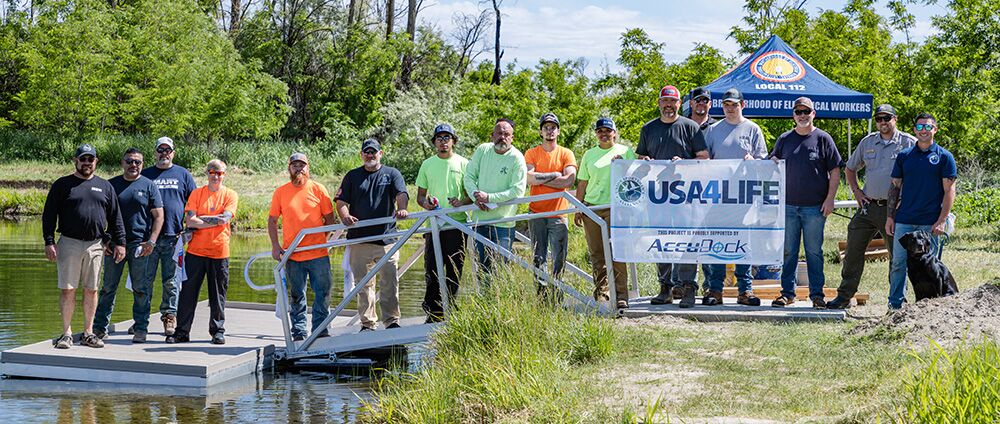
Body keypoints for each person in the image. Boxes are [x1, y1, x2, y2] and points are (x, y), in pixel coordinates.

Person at [827, 104, 916, 309]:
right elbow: (850, 168)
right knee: (853, 250)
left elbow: (918, 175)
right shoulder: (868, 142)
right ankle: (844, 296)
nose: (883, 122)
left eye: (887, 118)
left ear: (896, 119)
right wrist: (857, 192)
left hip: (895, 210)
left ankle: (897, 302)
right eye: (879, 119)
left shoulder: (908, 143)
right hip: (868, 207)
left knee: (898, 257)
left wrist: (908, 198)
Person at [42, 144, 126, 349]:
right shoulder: (62, 185)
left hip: (96, 245)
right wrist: (49, 241)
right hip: (69, 243)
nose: (87, 163)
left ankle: (89, 333)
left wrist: (121, 242)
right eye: (83, 159)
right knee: (68, 290)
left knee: (92, 289)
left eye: (91, 159)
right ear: (76, 160)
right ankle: (67, 334)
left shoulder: (105, 186)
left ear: (96, 162)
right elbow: (49, 215)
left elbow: (116, 217)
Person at [637, 85, 710, 308]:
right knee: (661, 242)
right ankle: (665, 288)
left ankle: (688, 288)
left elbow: (705, 158)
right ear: (659, 103)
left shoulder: (690, 127)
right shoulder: (648, 129)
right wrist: (644, 163)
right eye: (665, 101)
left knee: (687, 242)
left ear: (680, 104)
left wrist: (686, 164)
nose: (669, 105)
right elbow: (641, 159)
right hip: (658, 197)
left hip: (685, 197)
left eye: (673, 102)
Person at [769, 97, 842, 309]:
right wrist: (772, 161)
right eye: (798, 112)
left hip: (815, 208)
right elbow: (772, 164)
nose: (802, 115)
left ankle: (817, 295)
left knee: (814, 252)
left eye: (806, 112)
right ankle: (787, 293)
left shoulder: (823, 139)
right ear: (793, 115)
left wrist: (830, 199)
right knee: (789, 252)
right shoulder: (784, 139)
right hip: (788, 206)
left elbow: (835, 171)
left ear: (813, 114)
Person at [702, 88, 768, 306]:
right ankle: (715, 289)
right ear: (722, 106)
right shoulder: (712, 130)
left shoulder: (753, 129)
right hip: (718, 198)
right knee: (718, 243)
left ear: (743, 105)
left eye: (734, 104)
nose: (730, 108)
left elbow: (765, 163)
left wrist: (754, 162)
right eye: (727, 105)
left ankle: (745, 291)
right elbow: (703, 161)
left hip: (744, 198)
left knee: (743, 244)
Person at [885, 113, 957, 310]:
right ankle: (895, 306)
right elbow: (894, 187)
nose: (924, 131)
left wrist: (941, 220)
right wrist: (890, 217)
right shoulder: (904, 156)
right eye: (920, 127)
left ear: (935, 129)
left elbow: (949, 190)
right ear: (915, 130)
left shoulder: (944, 157)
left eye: (928, 127)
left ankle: (934, 308)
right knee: (898, 264)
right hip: (904, 220)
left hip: (929, 222)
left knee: (930, 267)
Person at [336, 139, 409, 331]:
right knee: (363, 285)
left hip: (386, 240)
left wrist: (402, 209)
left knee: (389, 283)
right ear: (362, 154)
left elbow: (402, 193)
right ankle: (368, 324)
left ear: (381, 153)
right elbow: (341, 201)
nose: (370, 155)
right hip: (359, 240)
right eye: (367, 152)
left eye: (373, 152)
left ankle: (392, 321)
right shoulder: (352, 176)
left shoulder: (392, 173)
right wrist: (345, 216)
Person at [94, 148, 164, 343]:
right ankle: (100, 328)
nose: (133, 165)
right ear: (122, 162)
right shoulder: (111, 185)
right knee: (108, 288)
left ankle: (141, 328)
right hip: (114, 245)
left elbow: (159, 216)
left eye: (137, 162)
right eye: (129, 161)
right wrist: (106, 240)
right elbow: (100, 216)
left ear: (142, 164)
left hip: (139, 245)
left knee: (141, 289)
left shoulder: (149, 185)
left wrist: (152, 241)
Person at [169, 159, 238, 344]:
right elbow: (190, 221)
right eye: (212, 172)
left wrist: (202, 220)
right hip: (195, 252)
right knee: (187, 294)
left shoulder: (230, 195)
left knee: (218, 295)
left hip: (219, 252)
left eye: (219, 173)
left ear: (224, 175)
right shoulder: (196, 194)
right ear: (206, 173)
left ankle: (217, 331)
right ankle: (181, 332)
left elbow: (225, 219)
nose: (215, 176)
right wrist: (211, 220)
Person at [268, 153, 336, 341]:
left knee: (323, 292)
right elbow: (272, 220)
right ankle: (299, 332)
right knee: (296, 295)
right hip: (292, 254)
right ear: (289, 168)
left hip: (318, 254)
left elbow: (330, 218)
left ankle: (320, 330)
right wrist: (276, 246)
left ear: (308, 167)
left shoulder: (318, 189)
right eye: (295, 165)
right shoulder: (281, 192)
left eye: (302, 165)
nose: (299, 168)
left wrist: (324, 240)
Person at [575, 117, 635, 309]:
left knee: (617, 252)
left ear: (615, 133)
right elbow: (583, 182)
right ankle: (603, 293)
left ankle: (621, 295)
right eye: (600, 131)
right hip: (592, 208)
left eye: (608, 131)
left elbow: (635, 176)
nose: (604, 134)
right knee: (597, 253)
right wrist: (579, 207)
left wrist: (623, 164)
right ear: (596, 134)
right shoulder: (589, 154)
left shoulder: (625, 151)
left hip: (617, 207)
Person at [141, 136, 196, 337]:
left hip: (175, 237)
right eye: (160, 149)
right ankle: (141, 320)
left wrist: (190, 229)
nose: (164, 153)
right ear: (154, 152)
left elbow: (193, 204)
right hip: (149, 239)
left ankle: (169, 317)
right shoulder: (145, 175)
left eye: (168, 150)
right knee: (144, 281)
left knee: (171, 281)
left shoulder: (183, 174)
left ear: (173, 152)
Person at [415, 124, 471, 322]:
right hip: (434, 225)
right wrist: (426, 204)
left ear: (453, 141)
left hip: (457, 225)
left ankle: (450, 311)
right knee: (432, 269)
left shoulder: (464, 163)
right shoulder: (427, 164)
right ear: (434, 142)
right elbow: (420, 196)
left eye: (447, 137)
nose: (443, 141)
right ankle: (433, 312)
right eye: (439, 138)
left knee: (454, 270)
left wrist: (461, 202)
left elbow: (471, 196)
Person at [464, 118, 528, 285]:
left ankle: (500, 306)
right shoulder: (483, 150)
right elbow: (469, 177)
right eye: (499, 133)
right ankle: (484, 305)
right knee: (482, 269)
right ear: (492, 135)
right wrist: (475, 196)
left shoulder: (517, 158)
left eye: (507, 134)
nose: (503, 137)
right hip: (480, 221)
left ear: (512, 137)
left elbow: (518, 191)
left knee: (500, 269)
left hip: (503, 223)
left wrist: (490, 198)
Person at [524, 113, 577, 297]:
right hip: (537, 213)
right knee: (538, 257)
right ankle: (542, 296)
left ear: (558, 131)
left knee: (559, 257)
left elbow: (569, 180)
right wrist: (555, 174)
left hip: (558, 214)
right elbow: (530, 178)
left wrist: (542, 179)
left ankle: (558, 293)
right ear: (541, 131)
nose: (549, 131)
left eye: (553, 127)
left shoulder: (566, 153)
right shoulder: (532, 153)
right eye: (546, 127)